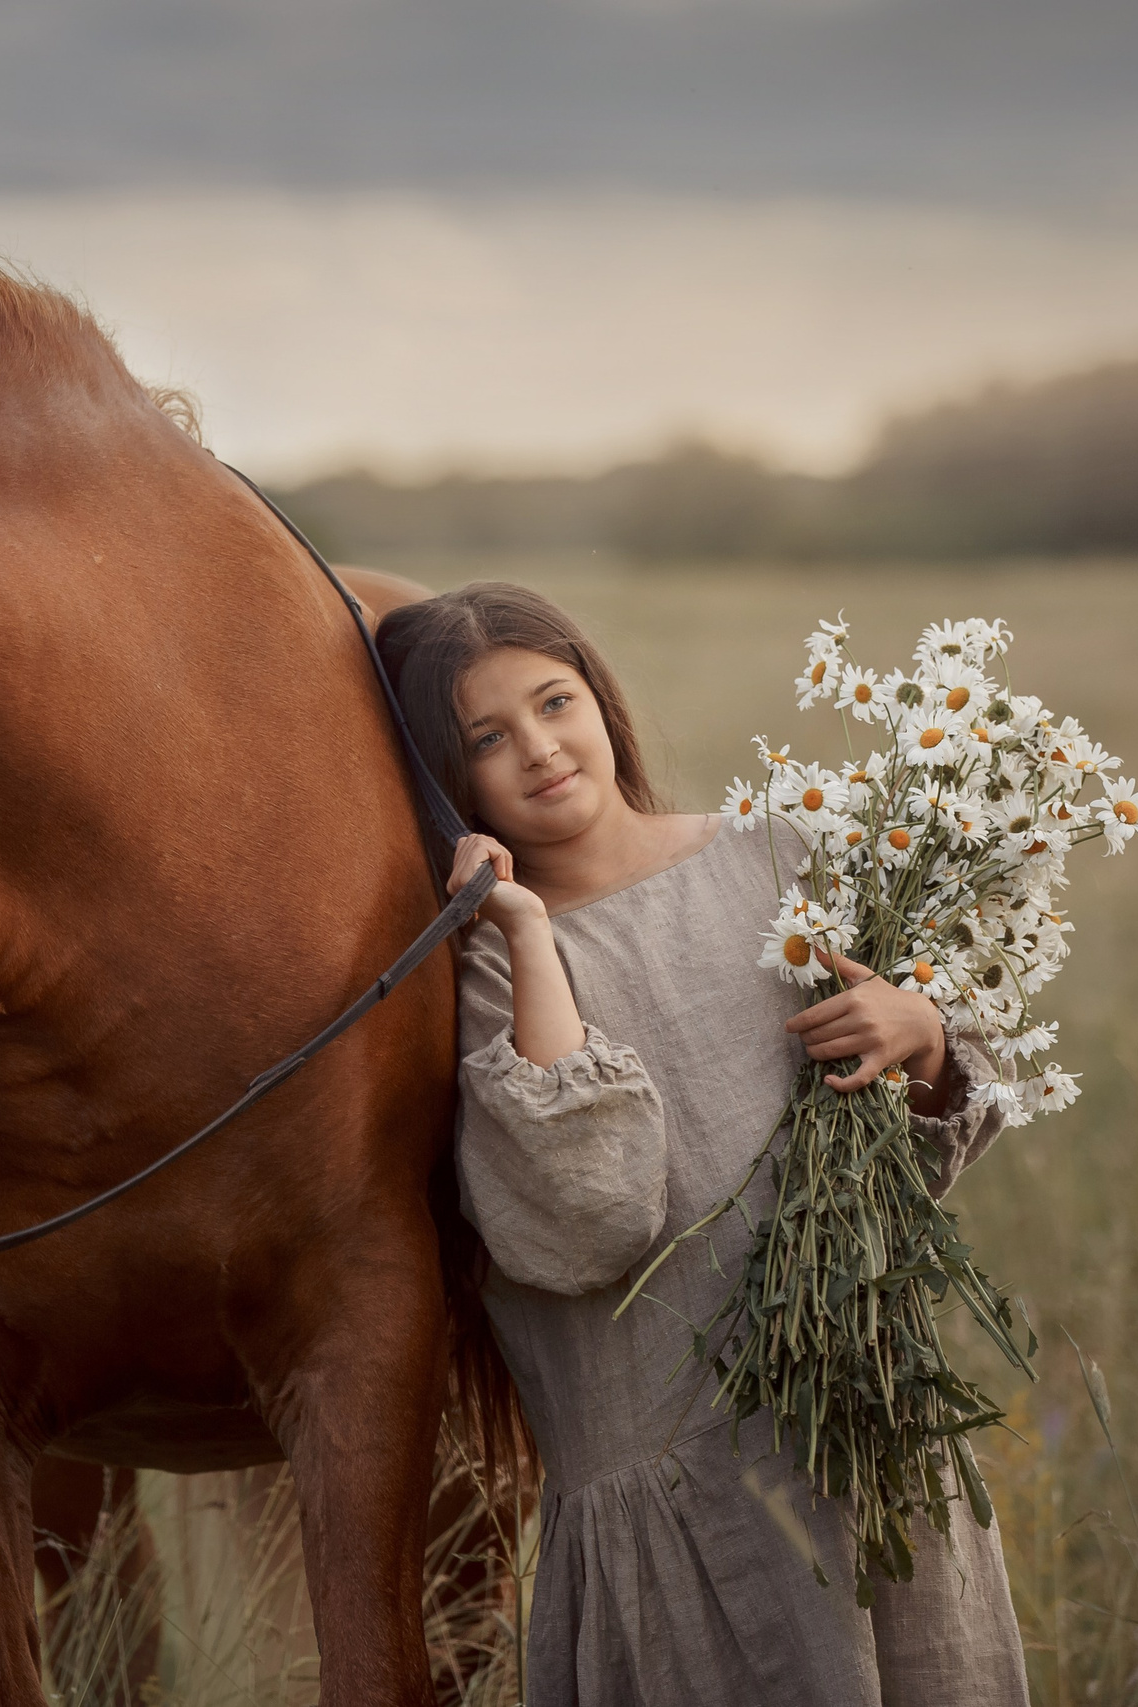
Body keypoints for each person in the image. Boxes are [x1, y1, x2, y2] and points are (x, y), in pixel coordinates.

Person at [375, 583, 1028, 1707]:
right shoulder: (486, 966)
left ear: (601, 699)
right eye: (487, 738)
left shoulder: (776, 856)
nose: (538, 749)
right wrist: (526, 931)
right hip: (675, 1486)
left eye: (554, 701)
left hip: (858, 1428)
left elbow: (903, 1166)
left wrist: (921, 1037)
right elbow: (584, 1223)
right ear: (447, 783)